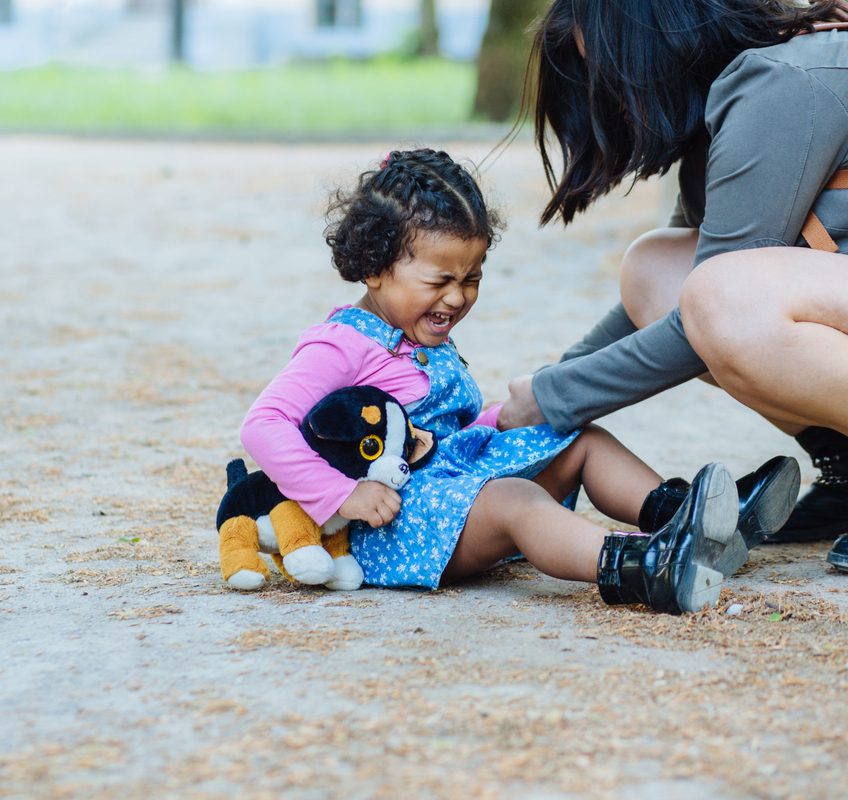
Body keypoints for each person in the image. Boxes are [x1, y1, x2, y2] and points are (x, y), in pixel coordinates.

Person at [240, 148, 801, 613]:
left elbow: (440, 430)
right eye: (441, 280)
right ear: (374, 267)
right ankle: (643, 566)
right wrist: (343, 493)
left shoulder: (413, 332)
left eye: (472, 277)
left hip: (453, 486)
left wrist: (496, 423)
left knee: (577, 436)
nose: (457, 297)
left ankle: (689, 519)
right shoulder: (341, 343)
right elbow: (264, 425)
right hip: (395, 525)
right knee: (516, 498)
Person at [495, 0, 848, 573]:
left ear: (654, 40)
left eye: (609, 69)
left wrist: (553, 398)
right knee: (656, 267)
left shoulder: (780, 84)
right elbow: (669, 300)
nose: (606, 93)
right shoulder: (729, 103)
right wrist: (539, 397)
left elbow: (713, 315)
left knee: (723, 298)